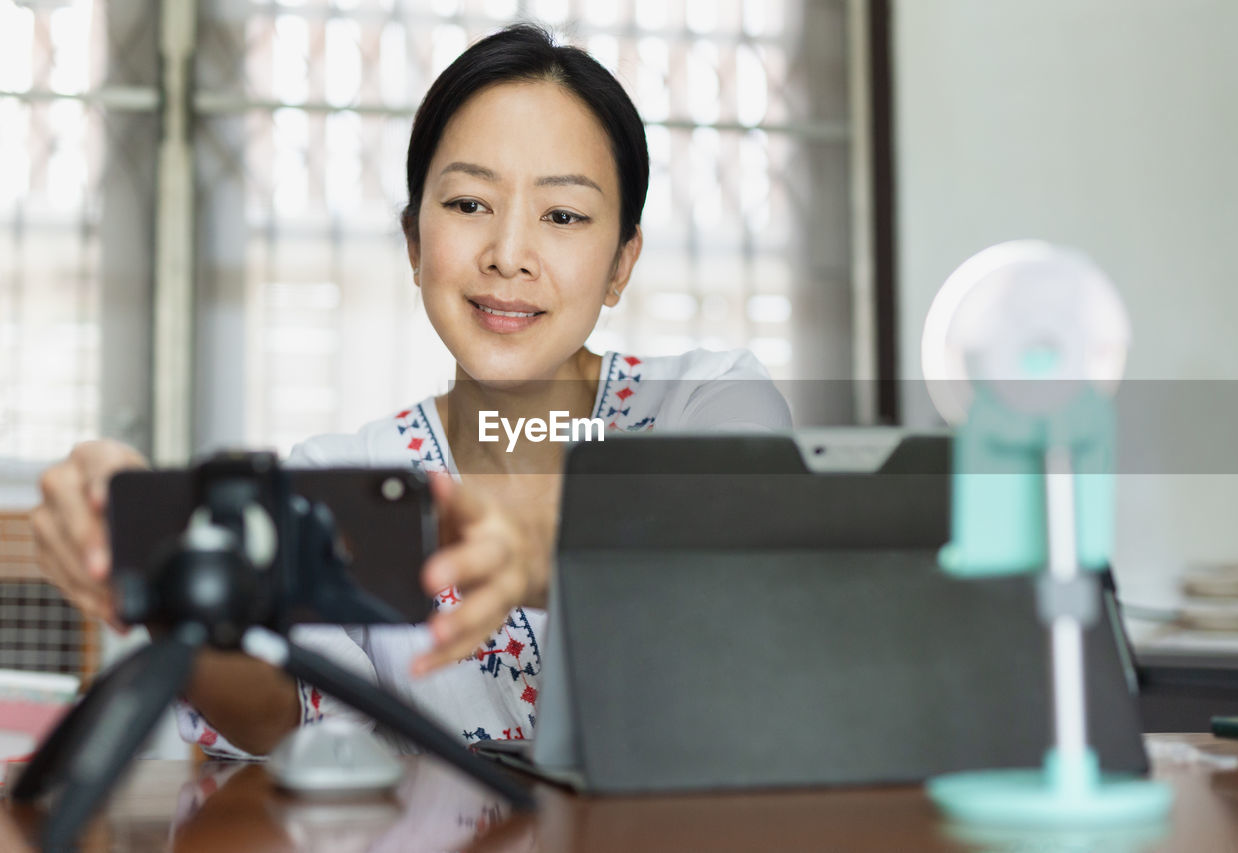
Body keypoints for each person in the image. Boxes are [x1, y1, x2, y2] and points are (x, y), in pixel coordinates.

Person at [31, 24, 791, 758]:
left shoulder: (711, 402)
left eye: (562, 214)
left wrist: (546, 547)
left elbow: (740, 550)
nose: (508, 255)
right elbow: (283, 717)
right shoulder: (341, 478)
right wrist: (172, 572)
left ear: (622, 263)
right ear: (415, 243)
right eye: (468, 204)